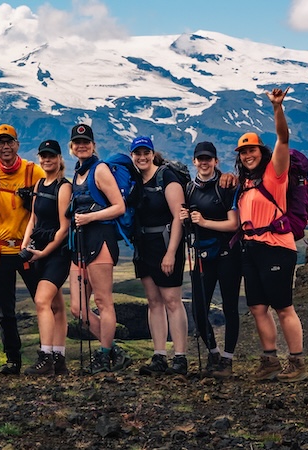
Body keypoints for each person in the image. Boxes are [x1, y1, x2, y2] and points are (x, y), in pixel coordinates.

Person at [236, 87, 307, 382]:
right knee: (256, 307)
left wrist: (277, 108)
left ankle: (298, 363)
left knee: (283, 306)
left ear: (261, 152)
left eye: (252, 150)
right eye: (243, 152)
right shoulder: (245, 183)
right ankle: (269, 360)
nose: (248, 155)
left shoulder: (275, 174)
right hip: (252, 248)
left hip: (277, 247)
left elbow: (283, 138)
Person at [0, 124, 46, 375]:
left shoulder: (34, 171)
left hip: (29, 251)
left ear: (17, 144)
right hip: (0, 252)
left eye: (10, 142)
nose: (5, 147)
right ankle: (12, 361)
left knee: (42, 304)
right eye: (0, 143)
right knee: (6, 310)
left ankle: (46, 354)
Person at [67, 123, 132, 374]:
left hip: (101, 239)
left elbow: (119, 207)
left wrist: (90, 218)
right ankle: (115, 350)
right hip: (80, 242)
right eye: (77, 143)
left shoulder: (100, 169)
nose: (82, 146)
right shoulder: (77, 173)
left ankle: (104, 356)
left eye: (86, 142)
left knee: (103, 301)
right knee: (78, 308)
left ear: (93, 145)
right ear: (72, 148)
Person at [180, 141, 241, 378]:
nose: (204, 163)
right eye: (200, 159)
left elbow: (233, 224)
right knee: (198, 309)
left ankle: (227, 359)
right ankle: (213, 352)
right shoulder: (189, 188)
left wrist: (203, 222)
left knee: (230, 307)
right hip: (202, 256)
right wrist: (186, 218)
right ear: (194, 162)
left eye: (208, 159)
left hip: (228, 254)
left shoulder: (225, 187)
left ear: (216, 161)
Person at [129, 136, 188, 376]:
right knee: (153, 301)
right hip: (144, 246)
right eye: (137, 153)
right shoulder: (136, 181)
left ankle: (181, 357)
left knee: (172, 301)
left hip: (165, 244)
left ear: (153, 154)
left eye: (146, 153)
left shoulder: (166, 178)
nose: (142, 157)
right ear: (132, 155)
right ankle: (159, 355)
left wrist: (171, 253)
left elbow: (178, 217)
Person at [21, 140, 72, 376]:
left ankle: (46, 357)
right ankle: (59, 358)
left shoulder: (64, 187)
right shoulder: (40, 184)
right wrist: (26, 245)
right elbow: (33, 218)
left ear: (59, 158)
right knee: (56, 305)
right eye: (43, 156)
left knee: (42, 301)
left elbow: (64, 227)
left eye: (51, 156)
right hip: (39, 250)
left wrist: (45, 251)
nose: (47, 160)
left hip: (57, 253)